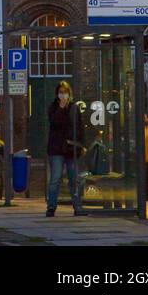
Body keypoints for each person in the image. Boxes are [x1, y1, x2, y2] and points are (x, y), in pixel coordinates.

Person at [45, 81, 85, 216]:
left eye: (65, 92)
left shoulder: (74, 108)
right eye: (61, 92)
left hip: (70, 149)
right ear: (57, 94)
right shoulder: (53, 107)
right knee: (55, 178)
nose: (63, 95)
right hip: (56, 149)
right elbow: (54, 123)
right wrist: (61, 108)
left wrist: (79, 144)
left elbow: (79, 127)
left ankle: (77, 206)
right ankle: (51, 207)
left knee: (74, 179)